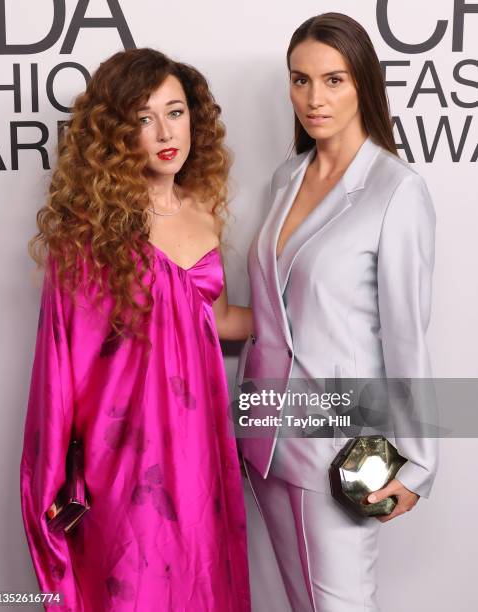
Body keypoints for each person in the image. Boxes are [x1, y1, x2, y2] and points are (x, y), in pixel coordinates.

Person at [20, 48, 252, 612]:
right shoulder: (88, 235)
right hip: (121, 458)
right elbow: (59, 367)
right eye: (143, 119)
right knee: (134, 588)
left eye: (175, 112)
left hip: (198, 447)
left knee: (200, 584)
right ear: (118, 134)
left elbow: (218, 320)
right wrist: (54, 479)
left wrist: (309, 308)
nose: (165, 132)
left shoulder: (202, 210)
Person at [237, 13, 438, 612]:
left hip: (340, 448)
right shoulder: (285, 178)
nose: (313, 98)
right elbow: (272, 313)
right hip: (264, 434)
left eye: (334, 80)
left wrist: (419, 462)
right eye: (300, 80)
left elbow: (408, 337)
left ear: (363, 85)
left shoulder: (397, 190)